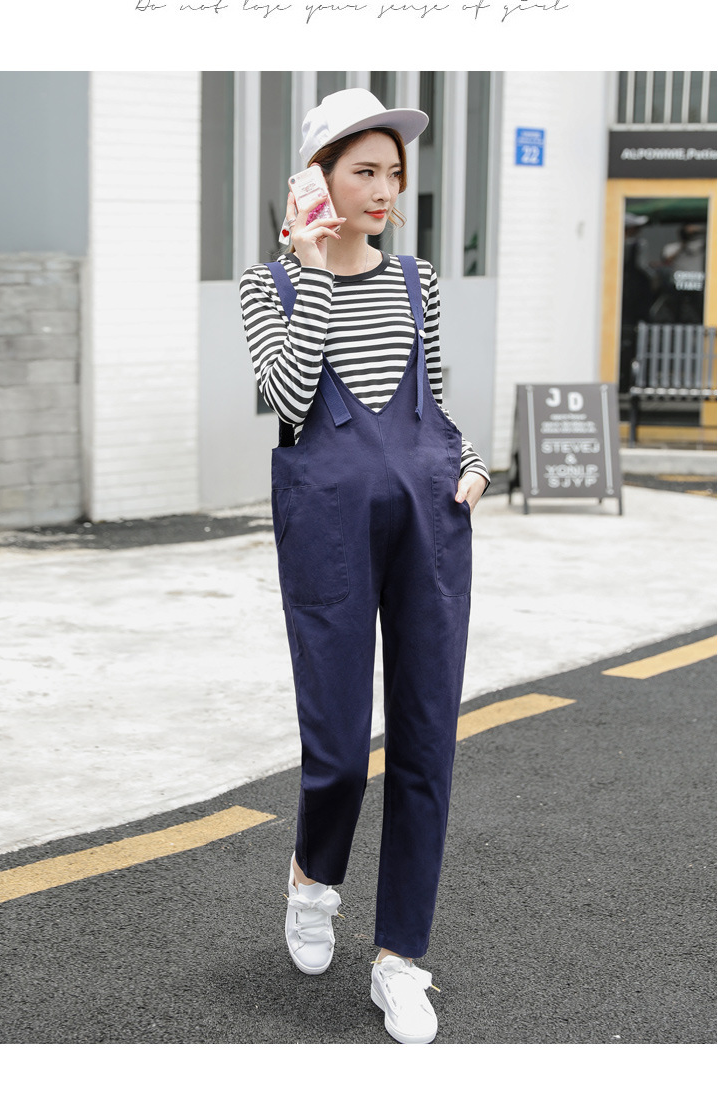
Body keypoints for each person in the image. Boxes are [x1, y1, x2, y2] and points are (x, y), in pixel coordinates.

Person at [239, 88, 489, 1045]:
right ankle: (313, 876)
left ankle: (399, 959)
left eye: (393, 172)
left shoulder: (419, 280)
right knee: (340, 747)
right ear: (317, 178)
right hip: (329, 526)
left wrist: (471, 465)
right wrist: (310, 266)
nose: (385, 189)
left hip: (431, 520)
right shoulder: (270, 285)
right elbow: (288, 396)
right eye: (363, 171)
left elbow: (437, 401)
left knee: (426, 742)